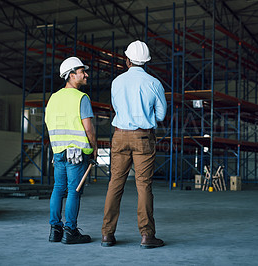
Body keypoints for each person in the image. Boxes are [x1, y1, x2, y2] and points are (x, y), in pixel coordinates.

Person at [101, 40, 167, 249]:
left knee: (115, 184)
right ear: (146, 62)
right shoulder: (154, 83)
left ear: (127, 60)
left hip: (119, 136)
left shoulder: (117, 82)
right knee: (144, 186)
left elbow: (116, 107)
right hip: (143, 137)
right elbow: (162, 114)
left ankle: (107, 234)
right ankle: (147, 236)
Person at [45, 56, 97, 244]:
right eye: (83, 72)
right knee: (74, 191)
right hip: (76, 153)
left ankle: (55, 230)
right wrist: (94, 150)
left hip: (58, 152)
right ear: (71, 75)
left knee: (58, 189)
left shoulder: (53, 98)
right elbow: (89, 129)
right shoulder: (81, 98)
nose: (86, 75)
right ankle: (70, 231)